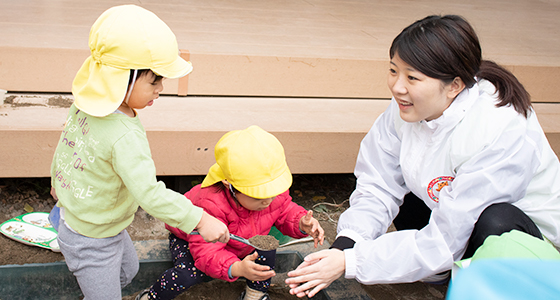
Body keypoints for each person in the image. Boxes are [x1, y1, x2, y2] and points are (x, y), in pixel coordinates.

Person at [286, 14, 560, 297]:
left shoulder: (498, 127)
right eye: (394, 71)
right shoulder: (410, 106)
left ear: (454, 85)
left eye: (412, 77)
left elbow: (450, 233)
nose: (397, 87)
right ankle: (442, 271)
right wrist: (345, 245)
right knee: (404, 178)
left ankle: (483, 284)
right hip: (452, 215)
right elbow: (378, 183)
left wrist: (353, 262)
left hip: (525, 240)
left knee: (495, 219)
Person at [49, 5, 229, 299]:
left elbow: (66, 147)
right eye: (154, 80)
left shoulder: (87, 101)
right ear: (123, 77)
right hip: (91, 239)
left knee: (127, 272)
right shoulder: (125, 135)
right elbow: (150, 193)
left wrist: (57, 184)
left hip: (102, 222)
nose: (160, 89)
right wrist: (200, 219)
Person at [136, 125, 325, 300]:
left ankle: (255, 294)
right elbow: (206, 253)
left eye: (272, 192)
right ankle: (153, 296)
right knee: (187, 273)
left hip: (243, 240)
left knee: (267, 250)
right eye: (257, 195)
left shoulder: (271, 193)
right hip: (195, 240)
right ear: (229, 184)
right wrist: (236, 268)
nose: (267, 201)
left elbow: (283, 210)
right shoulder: (210, 203)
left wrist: (301, 222)